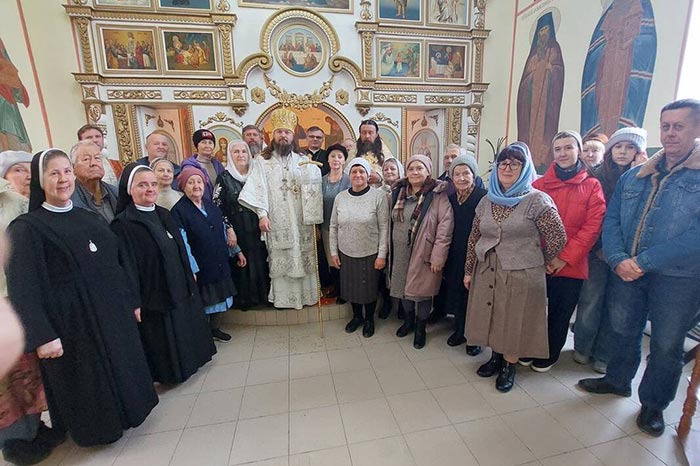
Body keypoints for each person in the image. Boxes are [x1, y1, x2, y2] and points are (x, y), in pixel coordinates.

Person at [6, 149, 158, 447]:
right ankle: (99, 430)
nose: (63, 179)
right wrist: (42, 336)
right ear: (41, 181)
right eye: (54, 173)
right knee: (90, 380)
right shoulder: (27, 229)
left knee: (120, 368)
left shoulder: (89, 219)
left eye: (66, 172)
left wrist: (131, 301)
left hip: (111, 315)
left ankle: (129, 414)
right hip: (71, 327)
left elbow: (116, 264)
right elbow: (24, 288)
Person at [578, 99, 700, 437]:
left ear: (697, 129)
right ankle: (618, 380)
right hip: (627, 271)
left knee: (666, 343)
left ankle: (653, 405)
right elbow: (612, 219)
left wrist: (642, 262)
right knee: (623, 329)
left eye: (679, 126)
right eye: (666, 126)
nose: (671, 133)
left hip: (679, 279)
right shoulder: (636, 176)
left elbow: (696, 236)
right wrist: (618, 259)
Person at [465, 143, 566, 393]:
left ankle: (510, 365)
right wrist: (468, 270)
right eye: (503, 163)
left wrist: (538, 261)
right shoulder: (487, 200)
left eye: (515, 163)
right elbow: (474, 236)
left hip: (522, 273)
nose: (507, 168)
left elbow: (557, 237)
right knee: (491, 314)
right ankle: (495, 357)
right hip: (487, 268)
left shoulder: (537, 200)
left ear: (525, 168)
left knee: (513, 319)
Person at [111, 164, 215, 384]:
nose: (149, 189)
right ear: (130, 189)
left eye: (152, 184)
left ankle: (190, 363)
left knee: (184, 324)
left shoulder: (163, 214)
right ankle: (171, 373)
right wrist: (133, 300)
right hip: (152, 291)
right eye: (142, 185)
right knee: (164, 335)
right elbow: (126, 266)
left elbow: (180, 247)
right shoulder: (123, 224)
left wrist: (189, 273)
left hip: (178, 282)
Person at [524, 130, 606, 372]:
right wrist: (542, 256)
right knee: (533, 310)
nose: (563, 153)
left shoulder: (592, 186)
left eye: (568, 148)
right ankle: (528, 347)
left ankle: (549, 354)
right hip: (538, 260)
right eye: (558, 149)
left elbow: (592, 227)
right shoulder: (538, 185)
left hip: (571, 263)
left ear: (578, 151)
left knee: (560, 313)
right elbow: (529, 223)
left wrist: (563, 258)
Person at [0, 152, 60, 465]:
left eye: (28, 170)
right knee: (6, 380)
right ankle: (13, 441)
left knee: (29, 373)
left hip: (22, 300)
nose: (25, 176)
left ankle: (35, 429)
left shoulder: (22, 205)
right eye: (17, 170)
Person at [573, 127, 648, 374]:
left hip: (629, 255)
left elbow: (642, 217)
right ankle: (583, 348)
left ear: (639, 152)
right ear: (611, 150)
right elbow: (593, 216)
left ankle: (604, 354)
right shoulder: (595, 176)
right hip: (596, 252)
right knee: (590, 301)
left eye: (630, 147)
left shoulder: (647, 177)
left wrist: (642, 170)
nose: (623, 152)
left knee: (617, 308)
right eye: (619, 146)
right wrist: (600, 248)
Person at [239, 108, 323, 310]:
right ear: (273, 135)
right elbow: (257, 188)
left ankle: (307, 297)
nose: (283, 135)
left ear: (293, 135)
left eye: (287, 132)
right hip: (277, 220)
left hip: (302, 221)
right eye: (279, 132)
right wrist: (262, 215)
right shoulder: (262, 161)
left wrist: (313, 174)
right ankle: (285, 300)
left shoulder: (303, 160)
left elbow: (312, 191)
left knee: (304, 255)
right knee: (281, 258)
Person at [171, 166, 245, 342]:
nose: (196, 186)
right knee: (205, 301)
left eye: (198, 181)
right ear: (183, 186)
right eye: (191, 182)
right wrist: (192, 268)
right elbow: (183, 243)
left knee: (220, 298)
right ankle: (203, 335)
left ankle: (215, 329)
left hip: (219, 261)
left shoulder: (211, 206)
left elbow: (223, 231)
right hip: (201, 265)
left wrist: (237, 251)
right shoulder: (179, 211)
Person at [389, 154, 454, 349]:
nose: (415, 172)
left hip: (424, 253)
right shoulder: (397, 193)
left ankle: (420, 328)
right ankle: (408, 321)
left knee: (422, 292)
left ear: (428, 171)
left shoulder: (438, 196)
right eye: (411, 169)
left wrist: (438, 257)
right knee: (403, 289)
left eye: (420, 168)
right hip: (400, 251)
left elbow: (445, 229)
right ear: (406, 172)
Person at [329, 157, 389, 337]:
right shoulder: (340, 197)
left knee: (368, 289)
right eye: (354, 171)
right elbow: (333, 226)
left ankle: (369, 319)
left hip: (370, 253)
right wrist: (333, 252)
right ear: (349, 174)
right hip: (346, 252)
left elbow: (384, 227)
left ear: (367, 174)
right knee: (351, 288)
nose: (358, 175)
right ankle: (357, 317)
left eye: (361, 171)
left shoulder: (378, 197)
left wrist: (382, 255)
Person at [434, 155, 486, 350]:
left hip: (477, 254)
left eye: (466, 173)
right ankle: (460, 329)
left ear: (473, 175)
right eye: (457, 174)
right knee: (457, 292)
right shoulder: (450, 199)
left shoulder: (483, 197)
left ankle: (476, 338)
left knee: (475, 297)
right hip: (456, 253)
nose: (462, 178)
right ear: (451, 178)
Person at [213, 141, 270, 309]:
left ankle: (263, 296)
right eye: (236, 152)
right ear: (230, 155)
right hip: (236, 227)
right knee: (241, 261)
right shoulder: (224, 177)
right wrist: (228, 228)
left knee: (260, 260)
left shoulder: (257, 174)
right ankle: (245, 300)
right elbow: (217, 205)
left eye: (243, 151)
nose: (240, 155)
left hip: (256, 225)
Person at [320, 144, 350, 300]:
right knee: (332, 258)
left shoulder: (350, 179)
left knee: (345, 258)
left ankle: (346, 289)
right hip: (326, 227)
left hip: (345, 227)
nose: (336, 159)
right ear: (328, 159)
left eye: (340, 156)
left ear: (344, 160)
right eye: (333, 156)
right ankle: (337, 288)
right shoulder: (322, 180)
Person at [69, 141, 119, 223]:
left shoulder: (115, 193)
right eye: (86, 159)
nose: (93, 163)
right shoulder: (70, 201)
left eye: (97, 158)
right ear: (73, 168)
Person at [181, 129, 225, 201]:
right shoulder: (189, 167)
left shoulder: (217, 164)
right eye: (203, 142)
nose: (207, 145)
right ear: (197, 145)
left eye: (210, 143)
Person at [353, 119, 395, 187]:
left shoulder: (385, 152)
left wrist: (379, 178)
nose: (367, 136)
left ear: (376, 134)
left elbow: (394, 173)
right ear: (360, 134)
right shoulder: (353, 152)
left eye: (370, 133)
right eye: (364, 133)